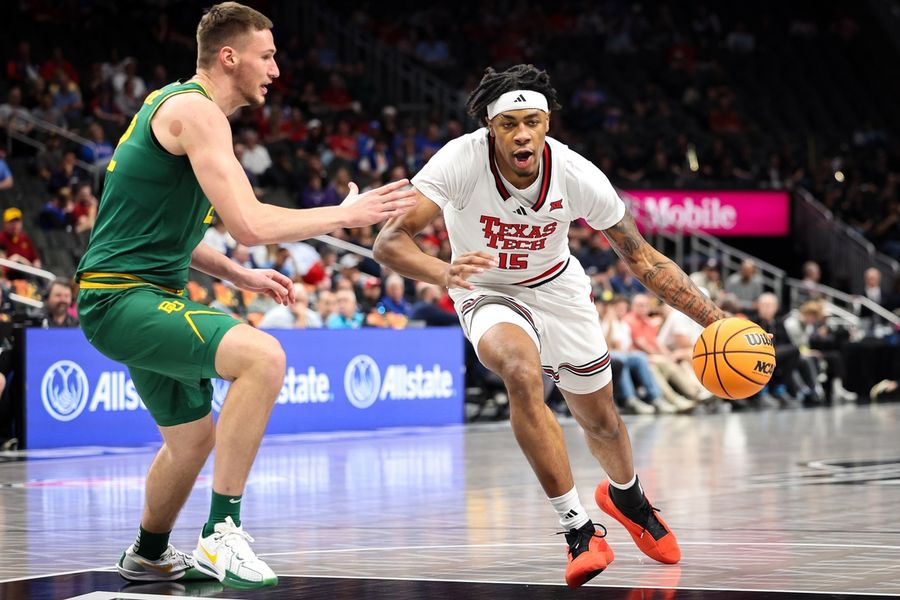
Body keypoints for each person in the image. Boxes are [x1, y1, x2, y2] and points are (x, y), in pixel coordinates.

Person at [75, 2, 415, 589]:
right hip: (123, 297)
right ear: (229, 57)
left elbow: (163, 230)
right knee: (264, 357)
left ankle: (148, 553)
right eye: (268, 56)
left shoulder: (179, 107)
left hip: (132, 291)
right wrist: (345, 213)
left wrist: (239, 275)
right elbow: (252, 224)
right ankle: (221, 534)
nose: (276, 70)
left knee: (193, 439)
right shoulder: (197, 113)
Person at [373, 64, 726, 588]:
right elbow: (389, 242)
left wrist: (717, 321)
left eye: (533, 121)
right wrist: (443, 271)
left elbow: (644, 259)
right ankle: (578, 529)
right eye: (510, 123)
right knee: (519, 369)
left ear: (546, 125)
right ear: (491, 129)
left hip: (558, 287)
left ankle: (626, 496)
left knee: (601, 420)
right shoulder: (459, 160)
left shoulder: (577, 174)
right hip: (486, 289)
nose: (522, 133)